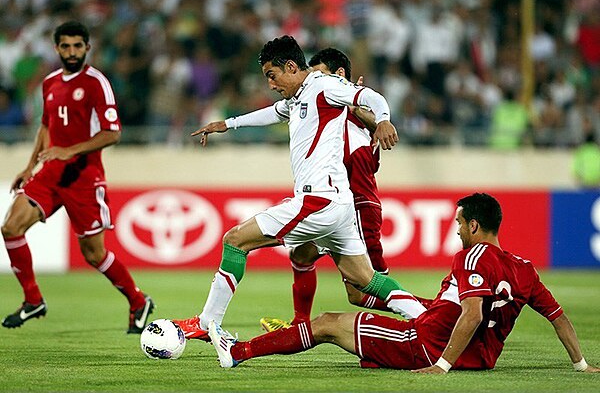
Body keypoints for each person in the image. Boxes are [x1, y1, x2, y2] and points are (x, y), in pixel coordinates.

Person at [173, 36, 427, 340]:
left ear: (291, 66)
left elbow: (371, 97)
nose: (270, 84)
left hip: (318, 199)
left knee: (235, 240)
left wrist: (384, 120)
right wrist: (227, 124)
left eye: (272, 75)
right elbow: (272, 112)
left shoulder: (324, 85)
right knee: (366, 279)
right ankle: (432, 319)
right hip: (338, 205)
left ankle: (206, 324)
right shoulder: (298, 97)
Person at [208, 193, 600, 374]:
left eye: (460, 223)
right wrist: (581, 365)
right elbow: (558, 316)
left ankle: (237, 351)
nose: (457, 229)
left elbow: (472, 312)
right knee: (366, 305)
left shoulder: (472, 256)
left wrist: (442, 365)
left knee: (327, 322)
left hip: (426, 345)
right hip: (476, 356)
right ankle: (376, 337)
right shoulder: (525, 267)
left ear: (475, 226)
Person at [260, 48, 429, 333]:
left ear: (339, 77)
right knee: (301, 254)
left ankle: (434, 314)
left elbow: (370, 139)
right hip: (331, 206)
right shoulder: (328, 112)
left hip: (357, 210)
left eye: (319, 76)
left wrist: (365, 111)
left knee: (363, 292)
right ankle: (300, 323)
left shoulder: (353, 118)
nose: (310, 83)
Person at [1, 21, 154, 333]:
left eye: (77, 46)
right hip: (50, 174)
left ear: (88, 47)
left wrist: (69, 151)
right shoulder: (50, 83)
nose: (72, 52)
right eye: (66, 46)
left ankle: (138, 301)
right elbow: (45, 127)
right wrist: (30, 166)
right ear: (57, 48)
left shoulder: (97, 82)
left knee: (94, 254)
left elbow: (113, 133)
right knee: (10, 227)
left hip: (84, 178)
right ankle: (33, 300)